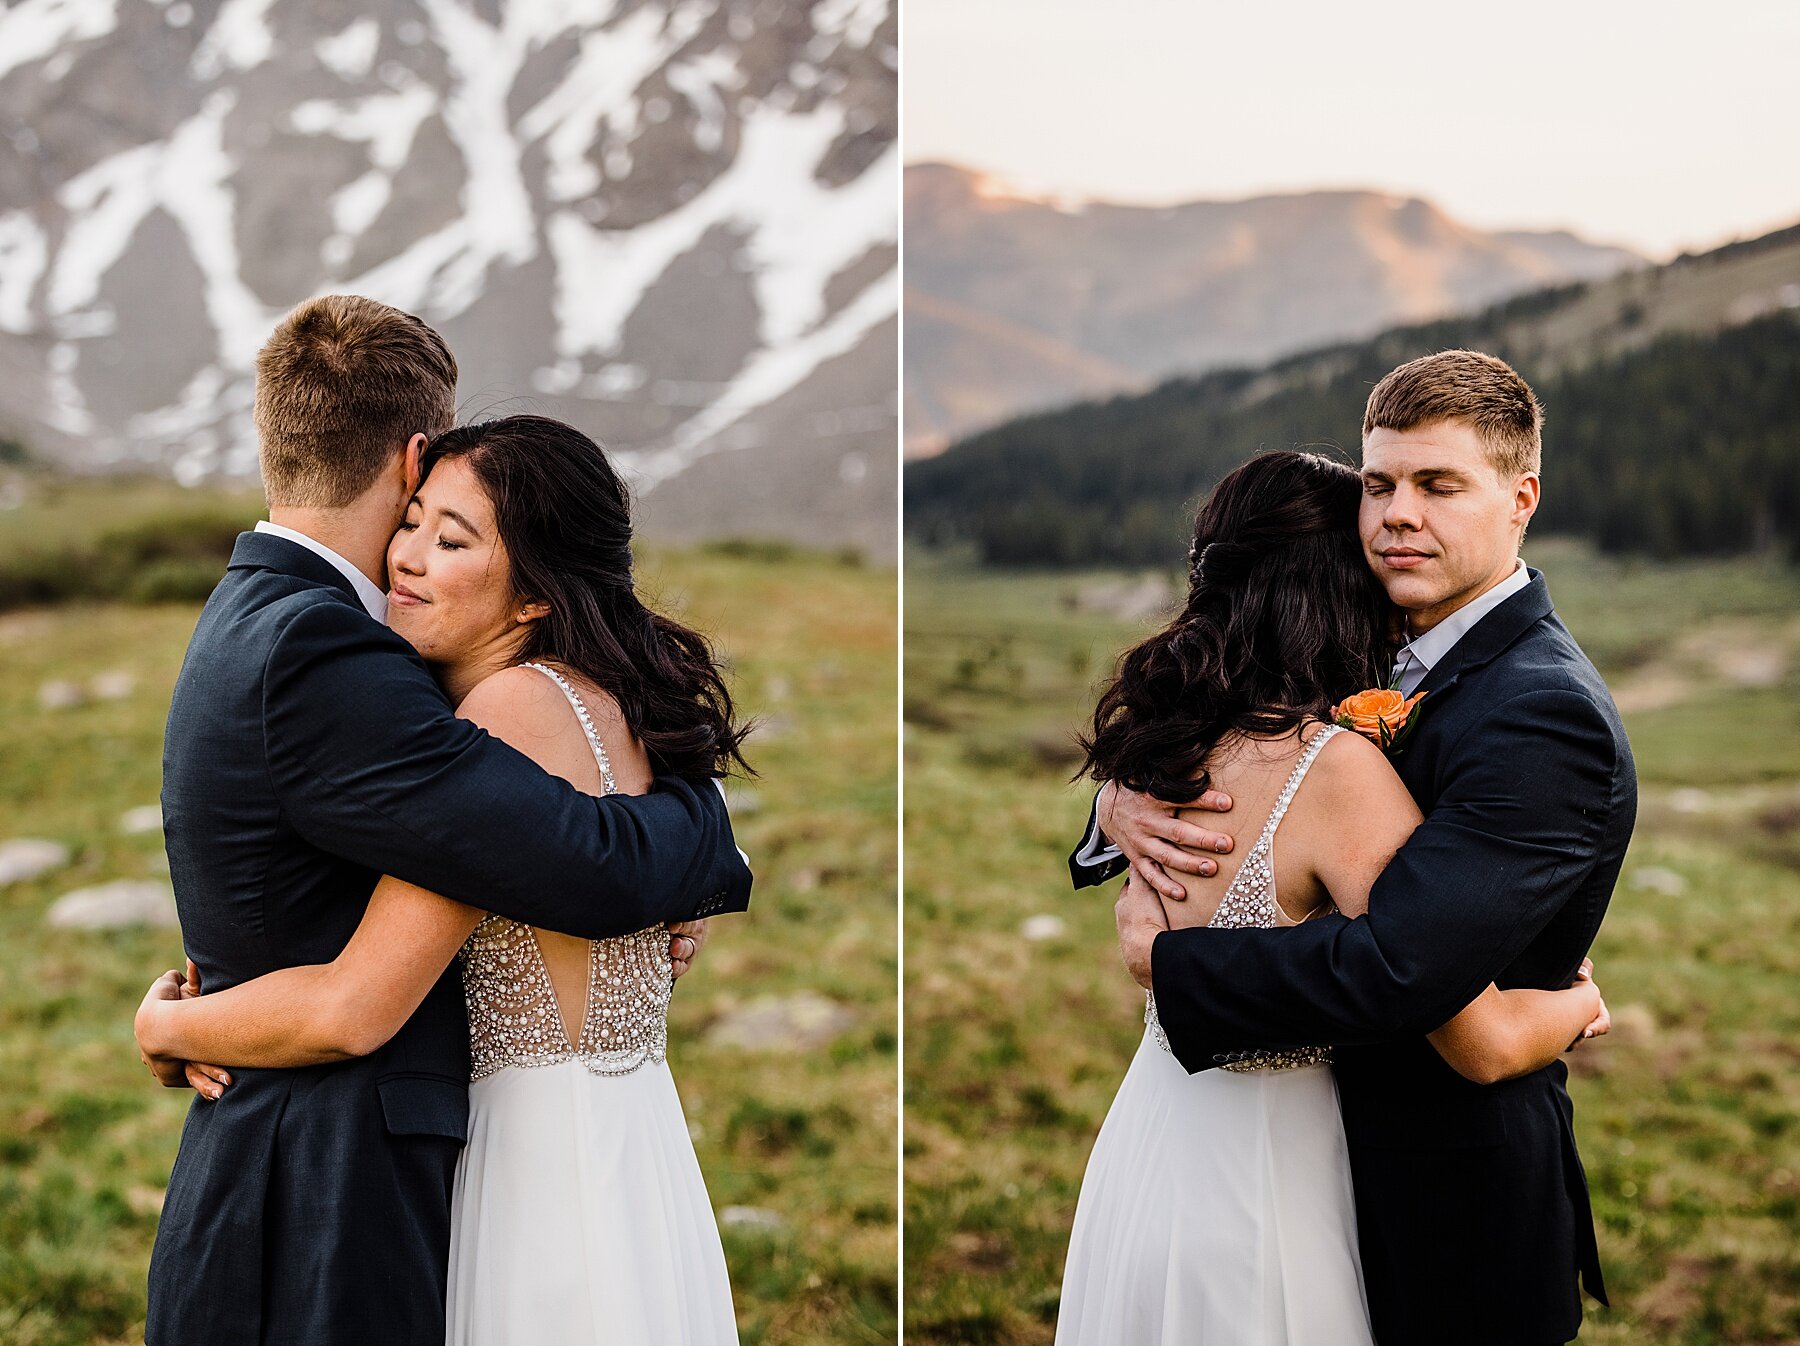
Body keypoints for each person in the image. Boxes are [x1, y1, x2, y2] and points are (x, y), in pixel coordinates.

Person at [135, 298, 750, 1346]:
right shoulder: (333, 649)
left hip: (468, 1175)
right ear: (412, 455)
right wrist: (708, 835)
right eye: (417, 517)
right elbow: (588, 865)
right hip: (334, 1177)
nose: (414, 551)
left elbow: (565, 862)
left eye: (451, 533)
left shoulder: (255, 615)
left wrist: (171, 1021)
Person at [1075, 352, 1635, 1346]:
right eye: (1379, 484)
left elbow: (1398, 964)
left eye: (1437, 484)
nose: (1396, 513)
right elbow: (1244, 769)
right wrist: (1119, 804)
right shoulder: (1354, 653)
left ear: (1522, 498)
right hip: (1294, 1162)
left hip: (1449, 1202)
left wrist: (1171, 964)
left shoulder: (1542, 709)